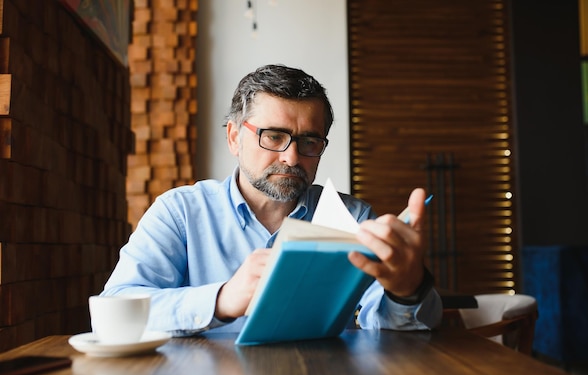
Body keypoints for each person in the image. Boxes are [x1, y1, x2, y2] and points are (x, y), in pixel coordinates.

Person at [102, 64, 442, 336]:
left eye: (309, 142)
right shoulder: (179, 213)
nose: (292, 158)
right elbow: (115, 307)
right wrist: (221, 300)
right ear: (235, 138)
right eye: (274, 136)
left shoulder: (353, 217)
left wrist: (407, 290)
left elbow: (388, 329)